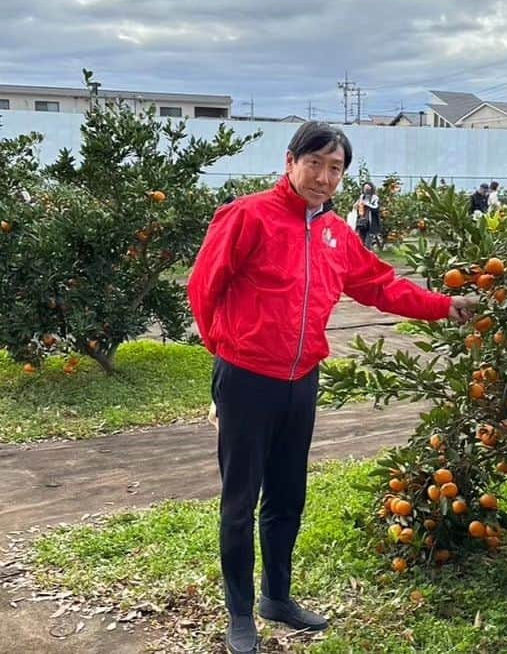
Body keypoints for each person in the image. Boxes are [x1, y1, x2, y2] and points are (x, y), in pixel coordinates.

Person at [188, 122, 476, 654]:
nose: (323, 177)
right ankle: (240, 615)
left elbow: (380, 284)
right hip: (248, 378)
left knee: (287, 494)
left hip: (301, 380)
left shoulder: (336, 234)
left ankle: (277, 597)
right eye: (314, 163)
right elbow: (204, 288)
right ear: (290, 161)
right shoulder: (247, 216)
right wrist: (225, 357)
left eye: (335, 168)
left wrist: (443, 305)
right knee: (239, 500)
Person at [354, 182, 380, 248]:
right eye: (365, 187)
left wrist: (367, 204)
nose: (366, 189)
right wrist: (357, 205)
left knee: (367, 245)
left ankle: (367, 257)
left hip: (370, 224)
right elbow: (355, 206)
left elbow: (376, 207)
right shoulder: (362, 197)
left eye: (368, 187)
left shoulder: (375, 197)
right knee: (360, 243)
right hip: (362, 222)